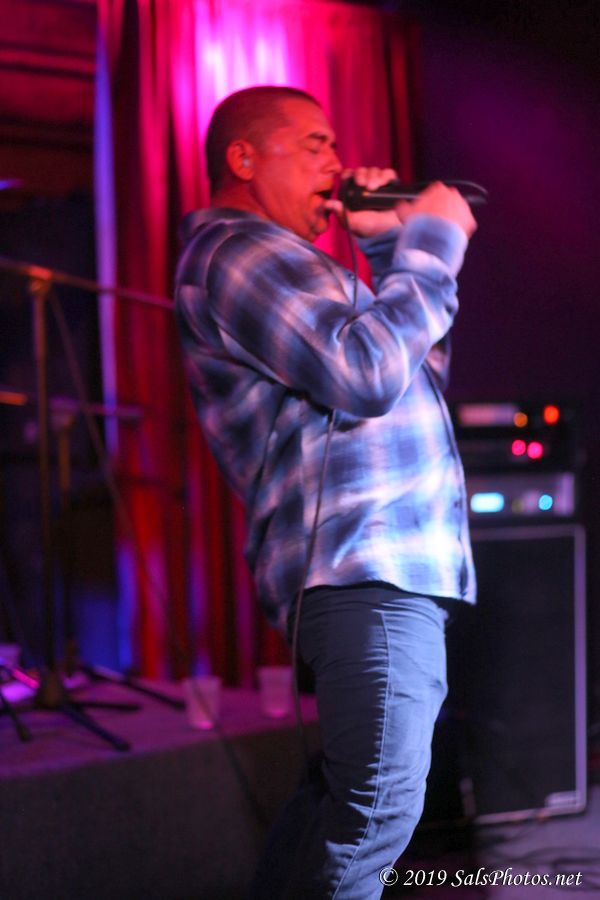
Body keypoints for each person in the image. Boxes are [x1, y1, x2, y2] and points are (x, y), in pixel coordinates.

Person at [175, 85, 477, 900]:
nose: (337, 165)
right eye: (315, 144)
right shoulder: (235, 251)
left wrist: (388, 251)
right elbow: (365, 373)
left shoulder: (298, 266)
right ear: (243, 158)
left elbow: (414, 375)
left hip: (383, 567)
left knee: (344, 809)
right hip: (363, 567)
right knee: (372, 813)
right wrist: (433, 245)